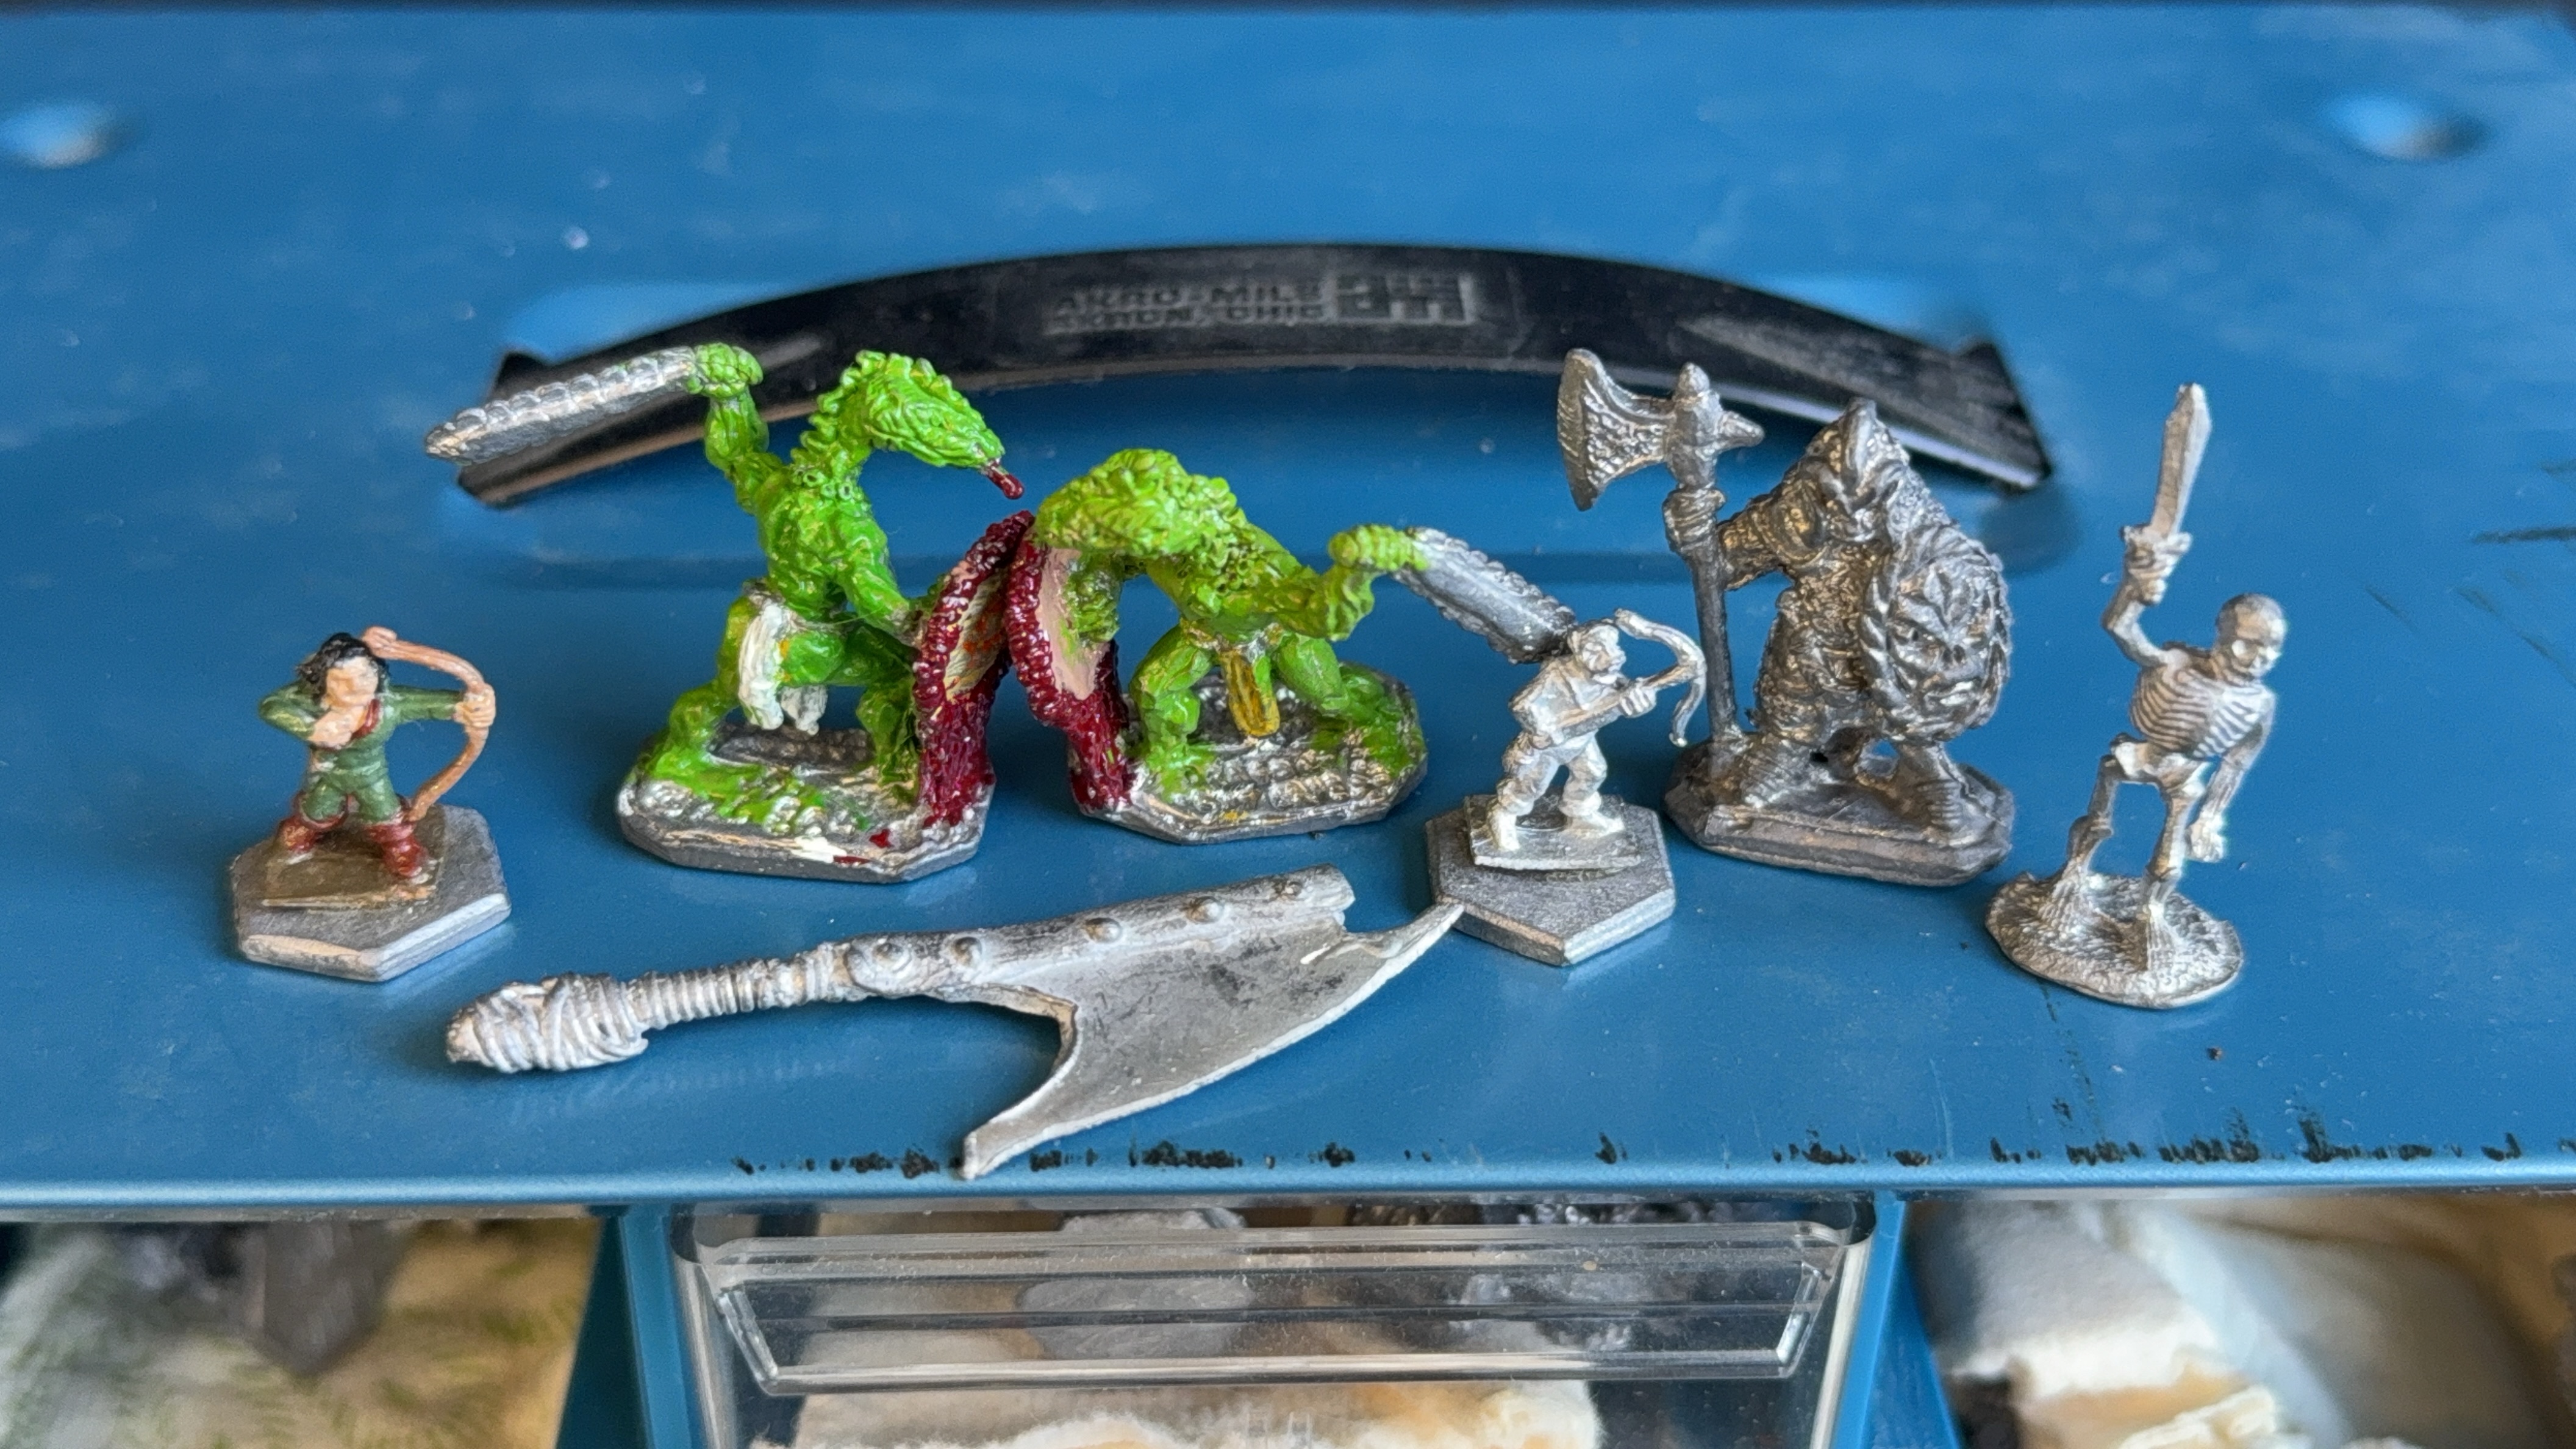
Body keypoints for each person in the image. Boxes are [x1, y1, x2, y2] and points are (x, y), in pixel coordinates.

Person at [259, 633, 496, 881]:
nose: (357, 687)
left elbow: (436, 704)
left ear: (378, 674)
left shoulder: (389, 705)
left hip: (371, 775)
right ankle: (305, 828)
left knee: (385, 812)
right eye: (342, 681)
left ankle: (401, 848)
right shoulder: (313, 702)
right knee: (318, 808)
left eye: (365, 675)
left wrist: (471, 708)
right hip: (328, 773)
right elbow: (272, 706)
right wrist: (310, 728)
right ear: (323, 681)